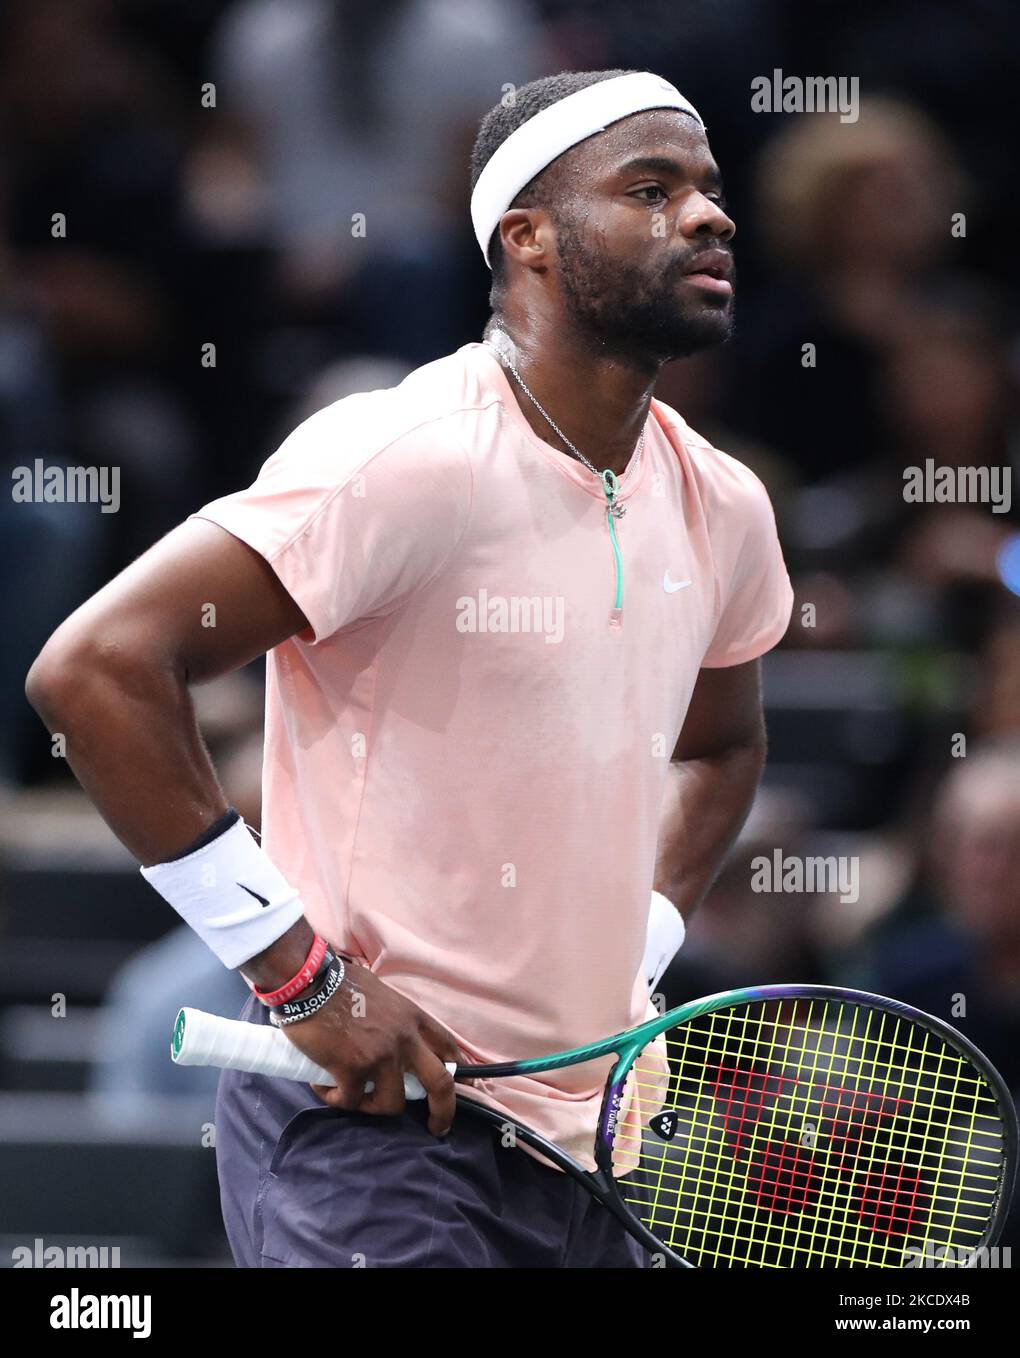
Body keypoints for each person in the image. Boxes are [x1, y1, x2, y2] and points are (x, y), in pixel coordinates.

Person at [26, 68, 793, 1268]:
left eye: (707, 189)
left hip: (592, 1140)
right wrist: (298, 976)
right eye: (650, 189)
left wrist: (638, 934)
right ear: (527, 240)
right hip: (375, 1132)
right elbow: (98, 669)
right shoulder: (402, 456)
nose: (709, 215)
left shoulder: (727, 503)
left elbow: (720, 742)